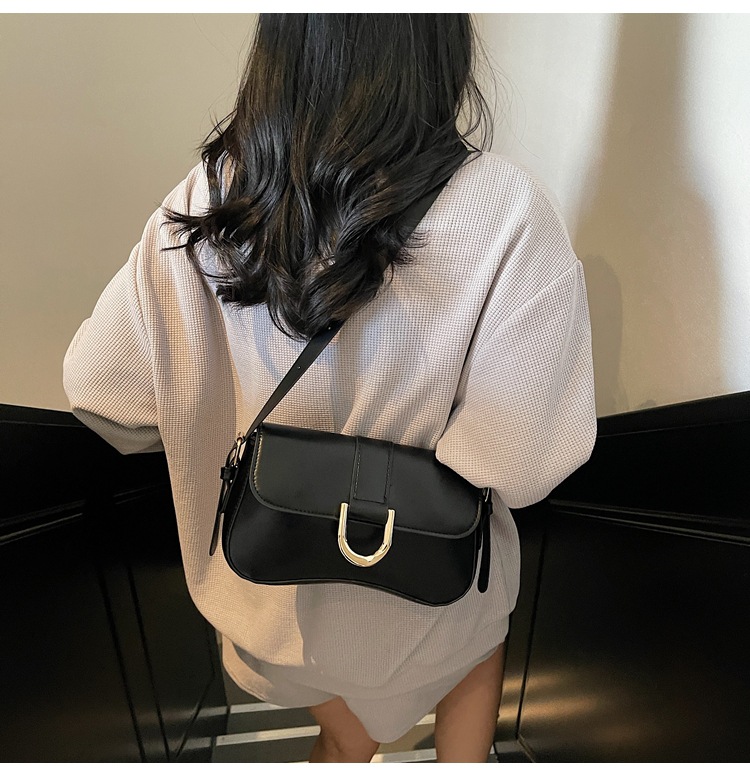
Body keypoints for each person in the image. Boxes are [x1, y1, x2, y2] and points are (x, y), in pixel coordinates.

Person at [63, 14, 597, 763]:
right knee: (478, 635)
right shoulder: (504, 207)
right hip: (428, 610)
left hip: (264, 600)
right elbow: (522, 466)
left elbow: (98, 390)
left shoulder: (212, 199)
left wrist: (210, 417)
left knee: (341, 739)